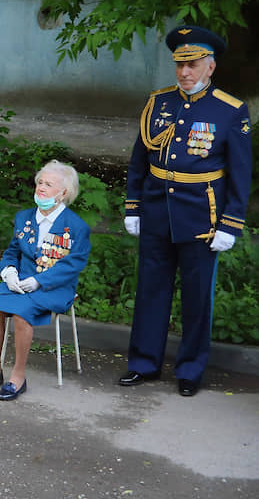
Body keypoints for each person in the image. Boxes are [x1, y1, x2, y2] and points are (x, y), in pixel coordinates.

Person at [119, 25, 253, 397]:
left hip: (202, 216)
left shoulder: (230, 110)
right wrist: (134, 205)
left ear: (210, 66)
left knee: (196, 297)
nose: (184, 72)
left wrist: (231, 222)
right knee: (150, 291)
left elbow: (241, 174)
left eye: (193, 64)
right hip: (158, 210)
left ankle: (190, 370)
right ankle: (143, 363)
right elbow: (138, 160)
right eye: (180, 64)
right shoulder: (158, 103)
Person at [0, 160, 90, 400]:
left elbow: (73, 264)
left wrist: (40, 281)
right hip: (21, 280)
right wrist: (9, 273)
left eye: (49, 184)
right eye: (39, 183)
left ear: (64, 192)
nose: (41, 188)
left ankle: (18, 376)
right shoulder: (24, 217)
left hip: (56, 286)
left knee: (21, 312)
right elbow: (11, 253)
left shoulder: (76, 226)